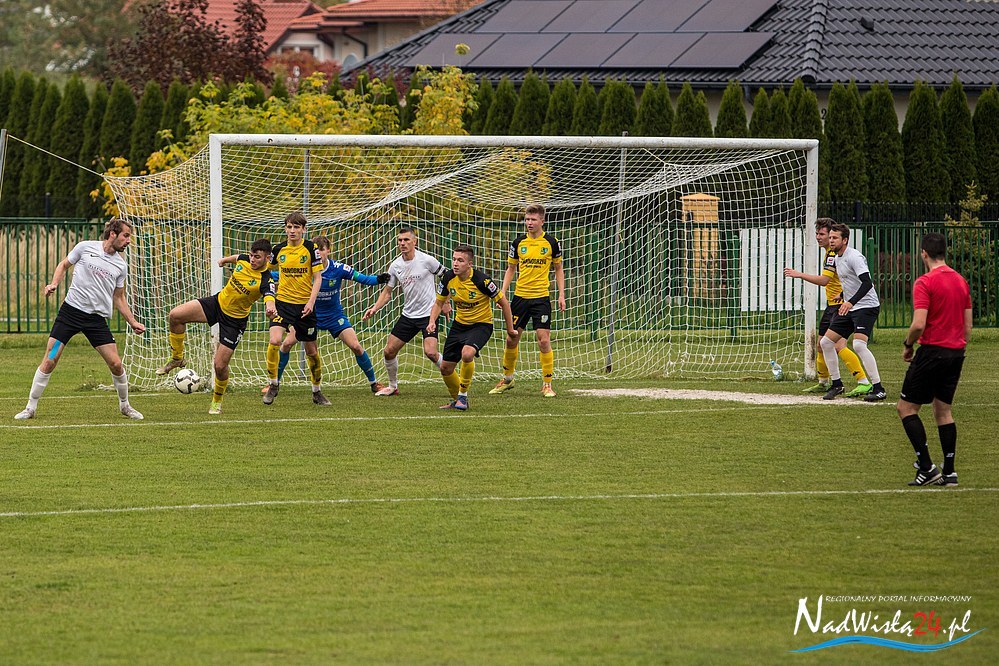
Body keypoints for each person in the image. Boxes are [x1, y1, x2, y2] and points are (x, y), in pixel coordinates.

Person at [15, 218, 145, 420]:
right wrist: (53, 284)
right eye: (126, 236)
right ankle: (30, 408)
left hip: (96, 322)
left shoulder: (121, 266)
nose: (128, 241)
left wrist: (133, 322)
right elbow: (63, 265)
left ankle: (125, 406)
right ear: (113, 234)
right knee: (50, 359)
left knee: (116, 364)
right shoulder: (85, 247)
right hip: (70, 315)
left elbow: (119, 298)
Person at [157, 239, 275, 415]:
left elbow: (269, 296)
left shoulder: (266, 279)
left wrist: (270, 307)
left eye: (257, 257)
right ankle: (177, 358)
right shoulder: (244, 259)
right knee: (175, 316)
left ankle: (216, 402)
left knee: (219, 366)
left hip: (234, 322)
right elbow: (237, 257)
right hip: (217, 304)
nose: (252, 259)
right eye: (251, 255)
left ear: (267, 258)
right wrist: (224, 260)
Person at [269, 235, 390, 394]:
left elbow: (363, 279)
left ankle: (374, 383)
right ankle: (274, 383)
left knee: (356, 346)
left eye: (322, 249)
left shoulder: (338, 269)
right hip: (308, 316)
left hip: (334, 316)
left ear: (328, 251)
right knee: (285, 344)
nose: (318, 253)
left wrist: (379, 279)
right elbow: (278, 275)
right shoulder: (303, 268)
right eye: (316, 250)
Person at [897, 233, 972, 487]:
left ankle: (927, 467)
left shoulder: (925, 282)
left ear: (924, 253)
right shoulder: (961, 281)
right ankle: (949, 472)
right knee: (943, 411)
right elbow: (968, 328)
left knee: (906, 409)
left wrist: (908, 345)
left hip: (932, 352)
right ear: (944, 252)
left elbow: (919, 324)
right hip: (956, 353)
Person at [783, 218, 871, 396]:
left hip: (840, 306)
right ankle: (823, 382)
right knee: (821, 345)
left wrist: (799, 274)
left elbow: (824, 280)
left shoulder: (832, 255)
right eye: (818, 234)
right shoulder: (830, 254)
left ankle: (863, 381)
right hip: (832, 304)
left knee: (838, 345)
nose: (819, 237)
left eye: (822, 234)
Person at [361, 226, 450, 396]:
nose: (402, 243)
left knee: (431, 352)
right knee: (389, 351)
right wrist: (374, 308)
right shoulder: (395, 265)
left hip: (428, 314)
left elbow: (447, 277)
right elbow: (387, 292)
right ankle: (393, 386)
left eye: (406, 240)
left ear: (414, 242)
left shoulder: (427, 260)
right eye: (400, 240)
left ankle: (455, 378)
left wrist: (445, 301)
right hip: (408, 316)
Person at [427, 244, 516, 411]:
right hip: (459, 325)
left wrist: (510, 329)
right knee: (445, 368)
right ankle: (458, 400)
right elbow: (439, 303)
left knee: (467, 354)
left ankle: (462, 396)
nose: (455, 263)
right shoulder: (448, 278)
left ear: (469, 264)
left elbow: (504, 303)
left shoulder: (482, 281)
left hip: (481, 325)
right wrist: (432, 321)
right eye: (454, 259)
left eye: (460, 260)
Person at [490, 204, 566, 397]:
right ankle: (508, 379)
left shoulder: (551, 242)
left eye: (533, 219)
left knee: (544, 340)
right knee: (511, 338)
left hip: (541, 298)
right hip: (520, 298)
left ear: (542, 221)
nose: (529, 223)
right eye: (527, 219)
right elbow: (510, 269)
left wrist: (561, 294)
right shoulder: (518, 243)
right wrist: (502, 293)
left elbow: (558, 269)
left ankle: (547, 384)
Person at [818, 222, 887, 401]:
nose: (831, 241)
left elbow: (867, 283)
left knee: (858, 345)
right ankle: (837, 385)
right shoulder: (836, 258)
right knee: (826, 342)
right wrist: (843, 296)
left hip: (866, 306)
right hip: (851, 306)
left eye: (835, 238)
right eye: (830, 237)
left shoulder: (854, 257)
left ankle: (878, 388)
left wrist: (850, 302)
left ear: (845, 240)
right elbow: (850, 282)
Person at [263, 212, 325, 406]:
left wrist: (311, 302)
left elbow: (318, 278)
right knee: (275, 340)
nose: (292, 231)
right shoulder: (279, 249)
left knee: (312, 351)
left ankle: (317, 391)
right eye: (289, 227)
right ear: (285, 228)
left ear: (303, 229)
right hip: (282, 304)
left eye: (296, 227)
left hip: (305, 307)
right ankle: (273, 384)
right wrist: (269, 296)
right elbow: (265, 270)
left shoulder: (311, 248)